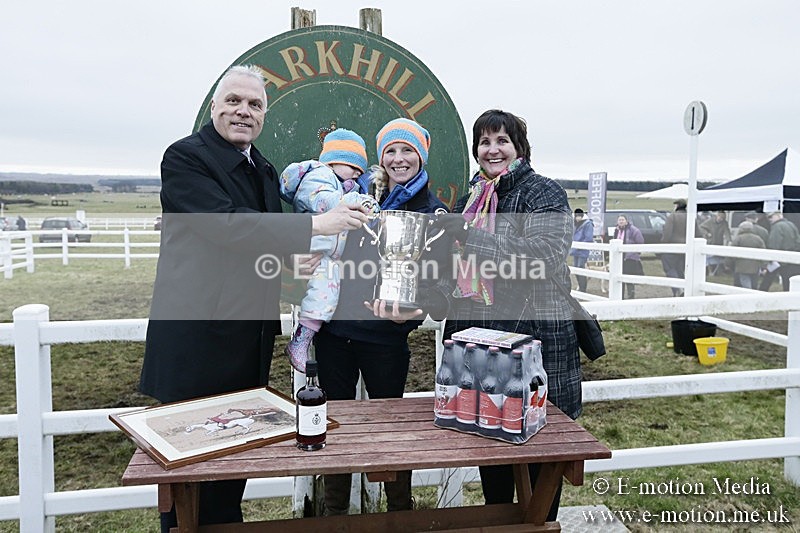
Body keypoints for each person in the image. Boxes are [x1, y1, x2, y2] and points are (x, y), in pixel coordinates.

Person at [138, 65, 368, 531]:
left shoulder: (260, 166)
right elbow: (224, 224)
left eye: (255, 105)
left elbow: (250, 244)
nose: (244, 111)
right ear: (215, 106)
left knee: (230, 481)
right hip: (195, 345)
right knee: (187, 485)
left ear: (263, 114)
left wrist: (285, 265)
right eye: (235, 101)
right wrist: (315, 226)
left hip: (247, 344)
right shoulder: (185, 158)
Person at [434, 109, 580, 522]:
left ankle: (540, 524)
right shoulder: (471, 200)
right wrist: (432, 296)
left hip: (533, 344)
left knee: (538, 456)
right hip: (480, 347)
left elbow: (543, 259)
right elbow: (459, 271)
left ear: (519, 147)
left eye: (502, 141)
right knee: (490, 452)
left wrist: (469, 235)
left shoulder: (543, 194)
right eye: (484, 141)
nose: (492, 149)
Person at [314, 118, 448, 516]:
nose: (398, 158)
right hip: (335, 332)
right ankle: (335, 513)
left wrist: (411, 311)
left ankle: (398, 513)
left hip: (386, 338)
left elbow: (438, 278)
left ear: (420, 156)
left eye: (407, 150)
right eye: (390, 150)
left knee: (392, 431)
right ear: (380, 157)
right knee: (331, 424)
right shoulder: (355, 196)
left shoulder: (430, 210)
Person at [279, 128, 380, 372]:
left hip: (330, 255)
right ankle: (300, 341)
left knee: (326, 296)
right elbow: (322, 201)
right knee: (322, 294)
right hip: (315, 247)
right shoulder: (319, 176)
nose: (357, 173)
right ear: (335, 160)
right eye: (353, 166)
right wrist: (360, 202)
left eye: (360, 170)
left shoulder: (342, 186)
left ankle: (303, 338)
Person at [759, 211, 800, 292]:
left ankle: (759, 294)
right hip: (791, 257)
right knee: (789, 281)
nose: (769, 219)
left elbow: (774, 243)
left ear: (778, 215)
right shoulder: (791, 224)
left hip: (779, 258)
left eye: (771, 217)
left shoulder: (777, 226)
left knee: (768, 278)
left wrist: (770, 258)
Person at [660, 198, 691, 296]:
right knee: (680, 270)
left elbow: (667, 233)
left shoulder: (672, 217)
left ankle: (678, 289)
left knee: (670, 269)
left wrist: (662, 244)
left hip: (672, 248)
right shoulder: (690, 217)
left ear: (677, 206)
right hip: (685, 248)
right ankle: (683, 289)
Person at [613, 214, 644, 299]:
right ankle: (620, 296)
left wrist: (635, 252)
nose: (621, 221)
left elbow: (640, 241)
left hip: (630, 257)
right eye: (619, 220)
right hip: (620, 258)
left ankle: (631, 295)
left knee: (628, 277)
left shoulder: (634, 230)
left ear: (626, 221)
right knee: (619, 276)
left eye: (623, 220)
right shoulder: (616, 230)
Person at [730, 221, 765, 289]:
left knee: (746, 285)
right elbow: (763, 252)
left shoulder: (738, 238)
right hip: (755, 267)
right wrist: (764, 266)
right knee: (754, 284)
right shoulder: (758, 238)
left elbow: (732, 252)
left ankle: (749, 297)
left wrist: (728, 264)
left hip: (741, 267)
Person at [699, 211, 731, 275]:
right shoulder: (709, 221)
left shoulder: (724, 223)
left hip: (719, 242)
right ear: (717, 216)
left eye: (722, 218)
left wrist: (729, 240)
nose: (720, 219)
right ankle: (708, 271)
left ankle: (719, 271)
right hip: (711, 242)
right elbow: (701, 227)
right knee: (708, 259)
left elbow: (727, 232)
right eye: (720, 217)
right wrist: (707, 233)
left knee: (718, 258)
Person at [569, 208, 594, 292]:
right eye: (576, 216)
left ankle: (583, 288)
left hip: (582, 249)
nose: (577, 218)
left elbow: (588, 237)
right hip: (575, 249)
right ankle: (580, 286)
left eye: (579, 216)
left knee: (580, 267)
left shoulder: (588, 224)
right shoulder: (575, 224)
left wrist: (580, 245)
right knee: (576, 268)